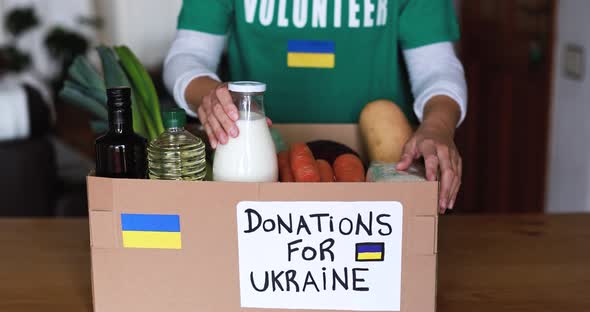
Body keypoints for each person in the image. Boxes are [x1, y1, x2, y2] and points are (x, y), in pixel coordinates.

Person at [163, 0, 467, 213]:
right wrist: (209, 95)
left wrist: (437, 127)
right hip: (259, 167)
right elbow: (187, 56)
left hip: (377, 169)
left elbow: (437, 68)